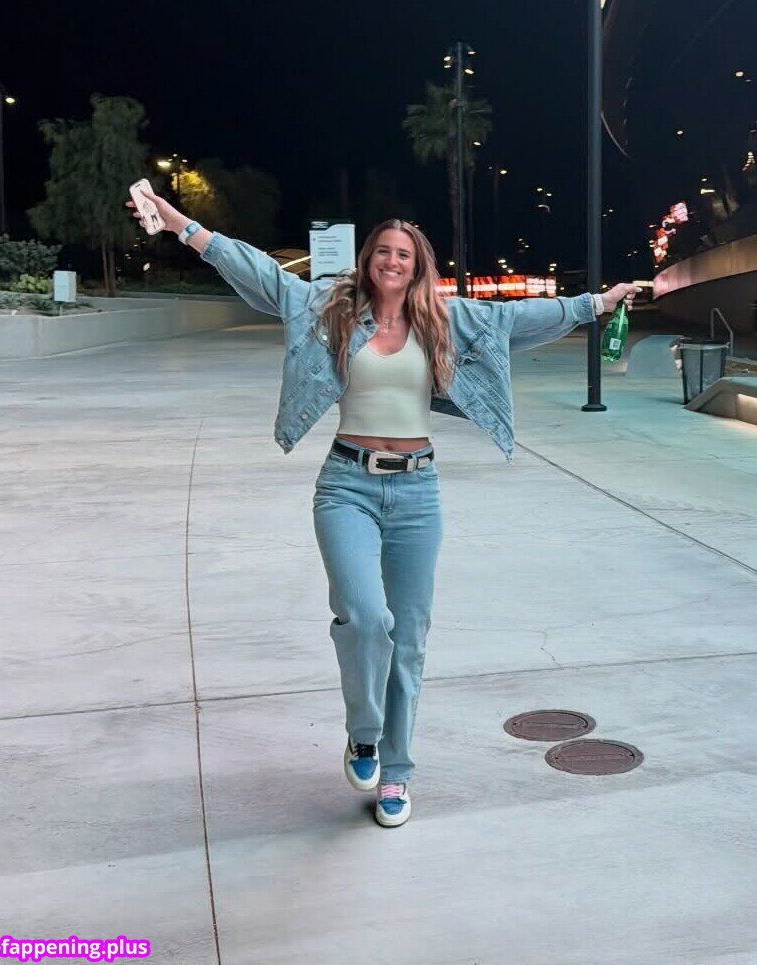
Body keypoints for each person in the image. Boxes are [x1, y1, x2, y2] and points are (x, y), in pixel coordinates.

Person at [127, 190, 638, 828]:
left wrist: (596, 303)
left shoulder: (446, 320)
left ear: (419, 266)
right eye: (384, 252)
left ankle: (396, 771)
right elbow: (255, 269)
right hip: (347, 485)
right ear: (368, 259)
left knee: (410, 638)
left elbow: (521, 318)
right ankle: (364, 734)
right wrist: (180, 224)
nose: (393, 262)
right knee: (367, 619)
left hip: (419, 493)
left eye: (405, 254)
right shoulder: (330, 310)